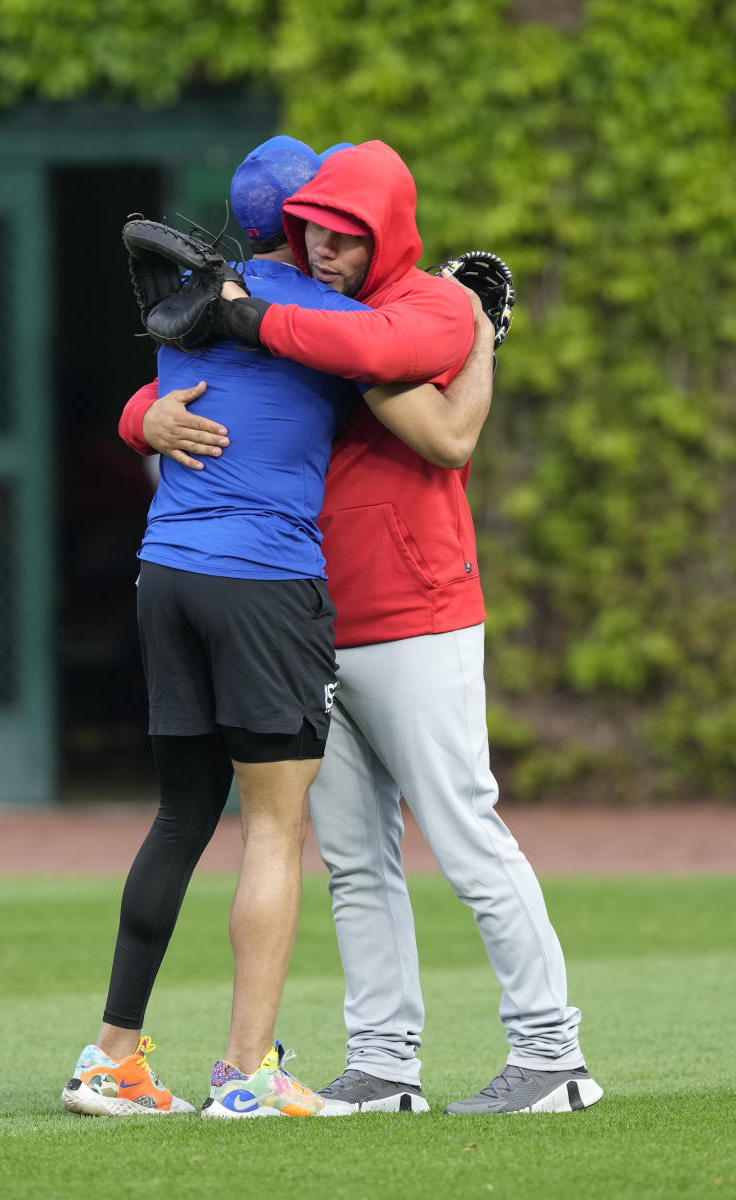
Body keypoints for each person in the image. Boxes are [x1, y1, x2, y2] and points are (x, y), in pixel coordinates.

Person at [120, 139, 603, 1116]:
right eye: (312, 232)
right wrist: (147, 418)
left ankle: (553, 1055)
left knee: (466, 834)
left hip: (419, 613)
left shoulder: (426, 302)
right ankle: (385, 1066)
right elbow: (170, 387)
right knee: (352, 859)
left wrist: (472, 339)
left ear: (387, 234)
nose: (327, 250)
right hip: (306, 614)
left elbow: (413, 393)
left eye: (346, 236)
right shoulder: (293, 306)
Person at [63, 136, 493, 1122]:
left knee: (180, 817)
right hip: (264, 587)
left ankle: (112, 1060)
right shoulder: (335, 314)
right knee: (274, 830)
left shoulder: (186, 309)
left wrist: (142, 417)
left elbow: (158, 395)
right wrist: (478, 327)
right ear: (314, 224)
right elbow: (441, 422)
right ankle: (247, 1072)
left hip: (164, 572)